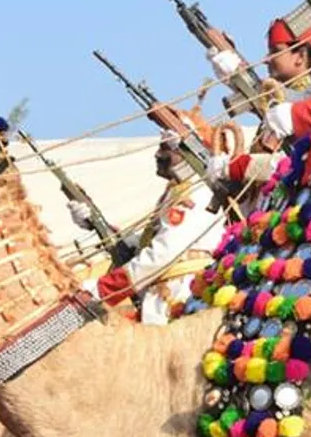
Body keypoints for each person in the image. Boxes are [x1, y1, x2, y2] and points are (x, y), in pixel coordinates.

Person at [67, 110, 225, 323]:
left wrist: (104, 288)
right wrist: (96, 223)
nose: (158, 155)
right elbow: (147, 241)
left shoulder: (196, 191)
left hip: (180, 295)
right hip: (161, 293)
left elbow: (163, 252)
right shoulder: (176, 190)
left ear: (186, 150)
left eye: (165, 148)